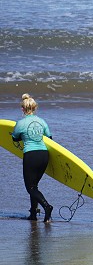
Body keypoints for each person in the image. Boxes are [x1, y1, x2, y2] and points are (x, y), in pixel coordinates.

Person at [12, 94, 53, 222]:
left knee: (30, 187)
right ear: (35, 108)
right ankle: (33, 213)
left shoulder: (21, 123)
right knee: (34, 186)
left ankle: (47, 207)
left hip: (31, 155)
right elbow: (49, 138)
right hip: (44, 155)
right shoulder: (42, 121)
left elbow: (14, 137)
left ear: (22, 109)